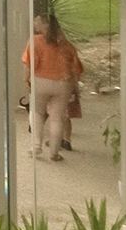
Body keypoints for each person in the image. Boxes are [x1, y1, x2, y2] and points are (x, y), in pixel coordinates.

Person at [25, 10, 85, 162]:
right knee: (57, 118)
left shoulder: (35, 41)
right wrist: (72, 87)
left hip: (40, 81)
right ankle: (54, 153)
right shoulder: (67, 45)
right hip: (63, 84)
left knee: (37, 112)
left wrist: (27, 80)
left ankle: (36, 145)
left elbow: (29, 64)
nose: (34, 23)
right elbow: (77, 70)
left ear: (44, 24)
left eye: (36, 20)